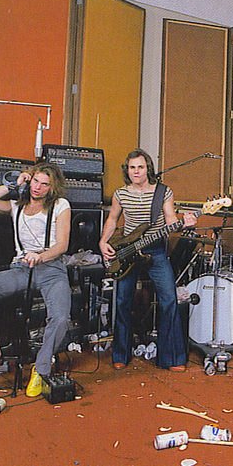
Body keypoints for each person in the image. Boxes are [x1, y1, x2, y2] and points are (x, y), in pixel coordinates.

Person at [0, 163, 71, 398]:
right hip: (21, 269)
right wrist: (12, 184)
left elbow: (62, 245)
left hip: (51, 270)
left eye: (44, 184)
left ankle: (41, 368)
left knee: (60, 317)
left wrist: (40, 256)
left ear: (52, 188)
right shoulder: (16, 205)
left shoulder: (61, 205)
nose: (38, 187)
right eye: (35, 181)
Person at [99, 149, 197, 372]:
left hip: (155, 250)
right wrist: (103, 242)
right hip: (127, 251)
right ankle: (121, 353)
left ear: (148, 169)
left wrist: (184, 223)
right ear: (127, 170)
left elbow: (171, 220)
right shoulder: (121, 194)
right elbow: (112, 220)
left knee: (169, 299)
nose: (136, 171)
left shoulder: (163, 192)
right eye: (132, 167)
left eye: (140, 167)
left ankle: (171, 358)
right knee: (122, 301)